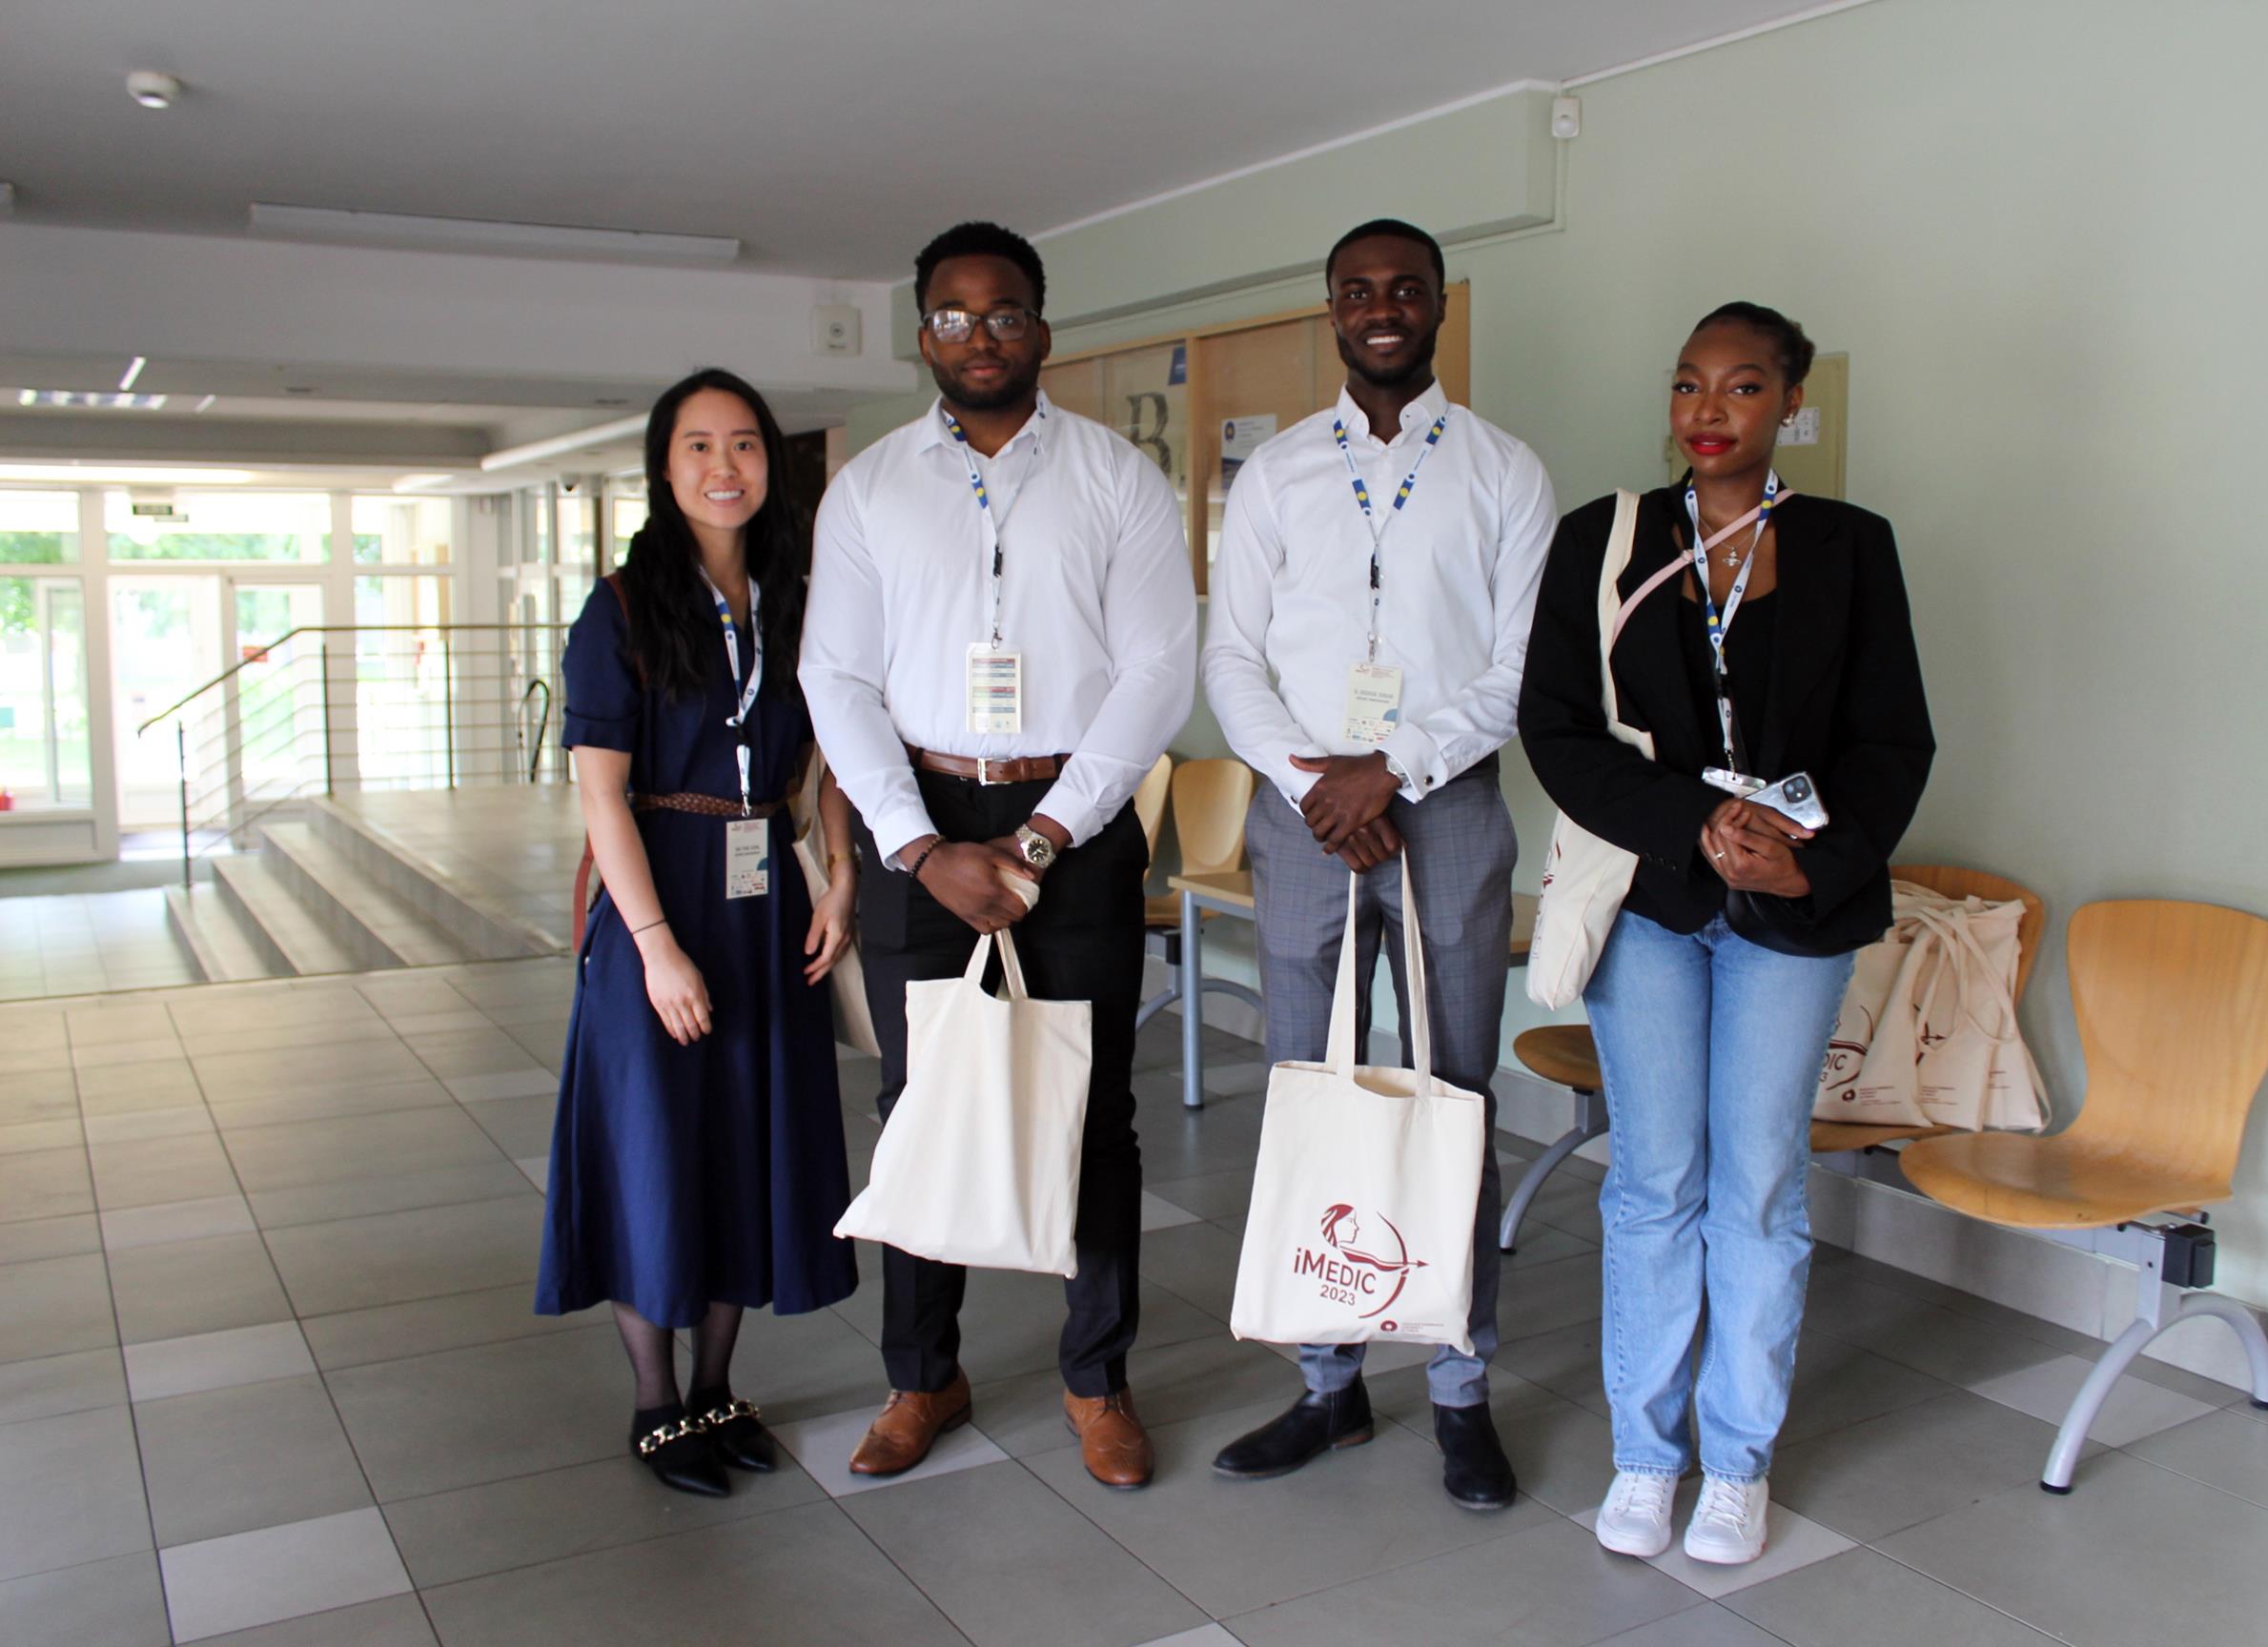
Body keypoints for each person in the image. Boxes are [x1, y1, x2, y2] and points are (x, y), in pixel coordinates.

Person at [1520, 303, 1932, 1562]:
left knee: (1756, 1189)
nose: (1709, 410)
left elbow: (1892, 740)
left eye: (1743, 386)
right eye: (1689, 384)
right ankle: (1647, 1457)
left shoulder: (1851, 546)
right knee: (1656, 1183)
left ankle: (1737, 1462)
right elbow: (1555, 726)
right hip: (1653, 901)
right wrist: (1694, 825)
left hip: (1793, 915)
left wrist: (1812, 866)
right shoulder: (1604, 537)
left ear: (1789, 403)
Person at [801, 220, 1195, 1491]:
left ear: (1043, 328)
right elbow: (836, 677)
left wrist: (1039, 835)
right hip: (921, 818)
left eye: (1006, 312)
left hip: (1073, 823)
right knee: (922, 1104)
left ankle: (1098, 1380)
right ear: (923, 334)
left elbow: (1158, 669)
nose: (981, 336)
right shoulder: (870, 490)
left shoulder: (1116, 478)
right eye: (955, 316)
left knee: (1096, 1109)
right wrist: (919, 847)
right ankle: (923, 1375)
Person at [1201, 219, 1555, 1510]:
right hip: (1305, 816)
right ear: (1333, 310)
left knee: (1454, 1097)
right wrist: (1316, 781)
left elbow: (1519, 670)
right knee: (1313, 1091)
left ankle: (1460, 1388)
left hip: (1445, 810)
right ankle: (1327, 1384)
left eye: (1405, 288)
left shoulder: (1506, 472)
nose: (1382, 307)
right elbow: (1231, 654)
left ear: (1440, 304)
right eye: (1358, 291)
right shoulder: (1278, 471)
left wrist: (1390, 770)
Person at [538, 367, 862, 1498]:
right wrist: (654, 947)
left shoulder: (797, 597)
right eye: (699, 446)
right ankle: (655, 1403)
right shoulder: (622, 608)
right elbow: (599, 795)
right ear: (664, 468)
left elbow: (834, 747)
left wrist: (839, 874)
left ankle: (719, 1389)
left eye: (745, 445)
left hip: (765, 898)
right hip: (660, 896)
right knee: (654, 1149)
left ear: (772, 462)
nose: (726, 467)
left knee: (745, 1144)